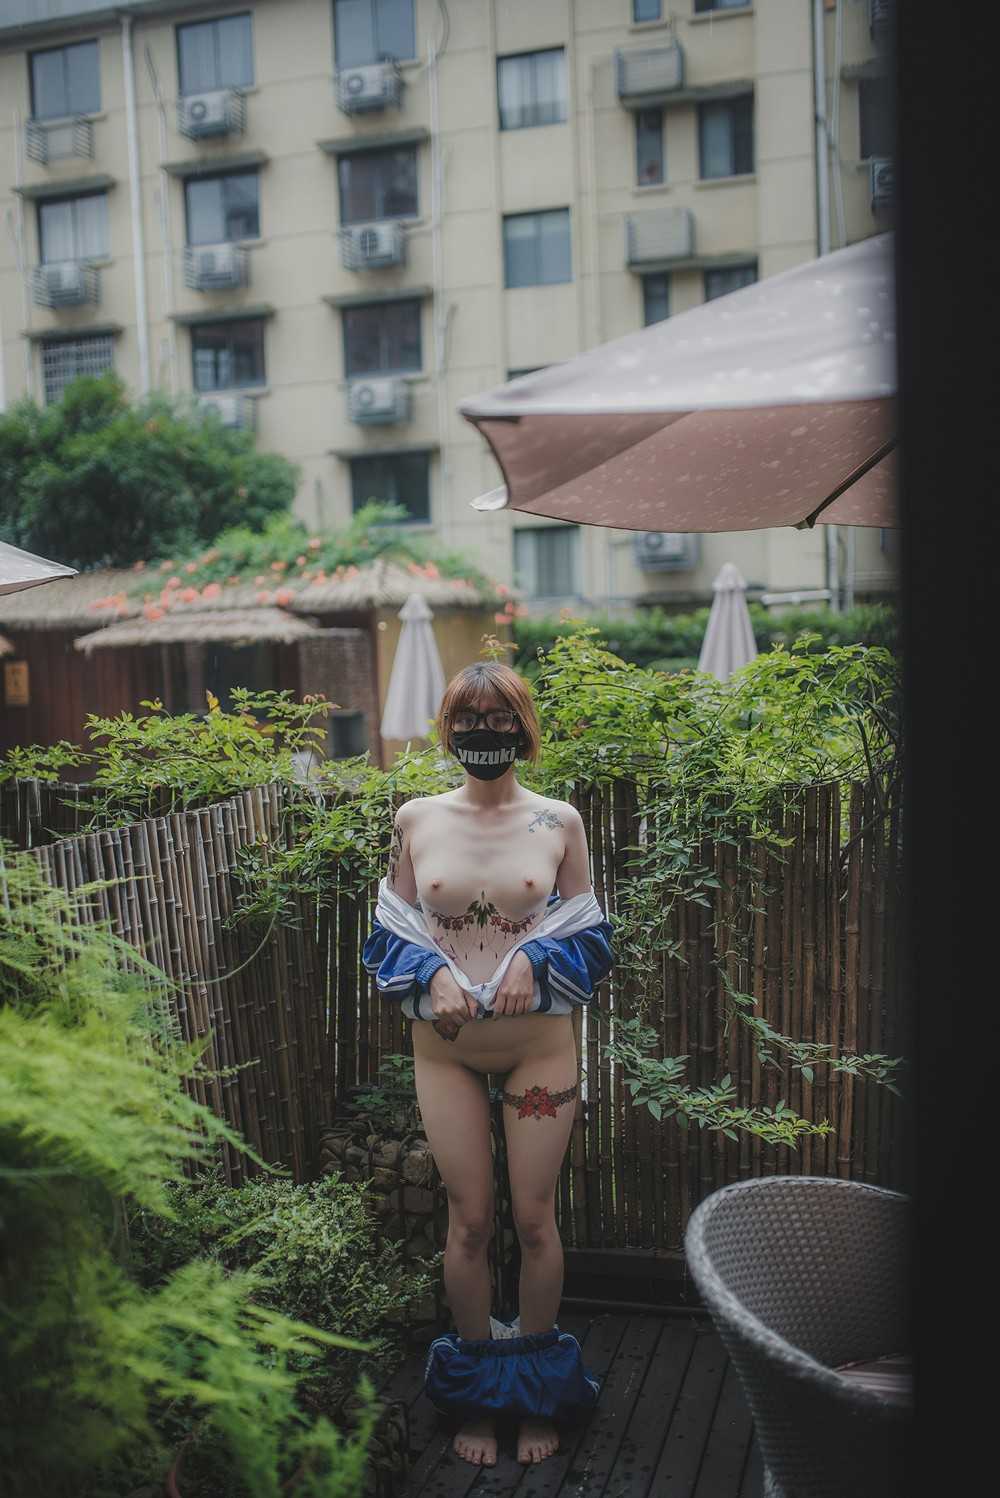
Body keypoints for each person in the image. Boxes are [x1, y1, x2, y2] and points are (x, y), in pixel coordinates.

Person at [362, 661, 613, 1467]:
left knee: (534, 1221)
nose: (485, 732)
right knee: (469, 1222)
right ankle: (477, 1396)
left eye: (501, 718)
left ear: (524, 727)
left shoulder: (558, 821)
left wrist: (535, 960)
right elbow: (390, 929)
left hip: (540, 1049)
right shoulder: (415, 818)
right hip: (447, 1056)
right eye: (469, 719)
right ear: (448, 729)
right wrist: (429, 974)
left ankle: (534, 1397)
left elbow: (590, 934)